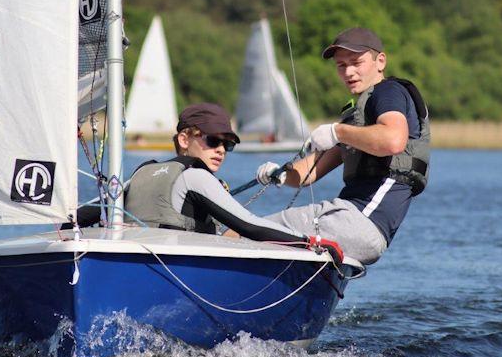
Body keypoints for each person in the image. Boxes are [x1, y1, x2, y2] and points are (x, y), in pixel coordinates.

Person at [255, 27, 430, 265]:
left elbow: (393, 140)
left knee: (246, 230)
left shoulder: (388, 92)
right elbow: (308, 174)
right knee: (257, 232)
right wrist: (279, 174)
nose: (349, 72)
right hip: (353, 226)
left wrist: (336, 131)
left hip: (358, 222)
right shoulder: (357, 118)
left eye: (356, 62)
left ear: (380, 61)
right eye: (341, 65)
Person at [122, 103, 339, 259]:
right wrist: (309, 242)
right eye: (213, 140)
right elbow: (249, 225)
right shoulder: (196, 176)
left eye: (227, 145)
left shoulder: (140, 172)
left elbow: (91, 212)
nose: (221, 150)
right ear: (184, 139)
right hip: (174, 267)